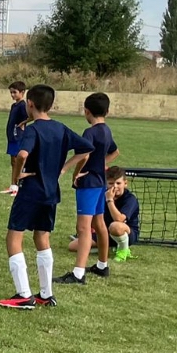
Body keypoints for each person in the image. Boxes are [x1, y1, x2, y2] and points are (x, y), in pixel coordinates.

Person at [0, 84, 93, 309]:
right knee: (42, 238)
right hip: (51, 192)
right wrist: (63, 168)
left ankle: (23, 295)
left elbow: (22, 154)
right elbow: (87, 148)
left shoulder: (32, 129)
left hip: (31, 190)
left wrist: (16, 177)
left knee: (14, 237)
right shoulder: (60, 128)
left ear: (29, 104)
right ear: (51, 105)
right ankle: (46, 294)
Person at [57, 92, 120, 286]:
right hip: (100, 182)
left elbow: (83, 155)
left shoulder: (89, 133)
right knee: (99, 223)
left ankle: (78, 273)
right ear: (107, 111)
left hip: (89, 184)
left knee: (83, 227)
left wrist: (71, 171)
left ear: (86, 111)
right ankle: (102, 265)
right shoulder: (107, 130)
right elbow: (115, 152)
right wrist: (99, 165)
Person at [105, 167, 140, 260]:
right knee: (74, 246)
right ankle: (108, 247)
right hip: (106, 232)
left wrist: (109, 200)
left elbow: (119, 219)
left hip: (127, 233)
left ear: (125, 183)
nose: (115, 186)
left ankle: (123, 250)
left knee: (116, 226)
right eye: (111, 183)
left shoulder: (130, 199)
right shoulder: (102, 195)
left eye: (118, 183)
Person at [0, 81, 28, 193]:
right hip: (12, 137)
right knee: (13, 161)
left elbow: (31, 116)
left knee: (18, 161)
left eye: (14, 92)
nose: (12, 95)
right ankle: (13, 185)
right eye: (11, 92)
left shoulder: (23, 105)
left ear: (22, 92)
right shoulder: (14, 105)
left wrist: (23, 124)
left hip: (18, 136)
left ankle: (19, 185)